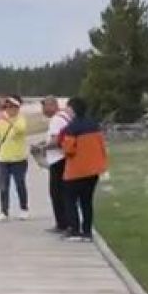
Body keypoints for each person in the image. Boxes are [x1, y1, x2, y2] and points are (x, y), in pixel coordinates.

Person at [58, 97, 108, 242]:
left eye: (68, 108)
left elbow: (68, 150)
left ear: (72, 109)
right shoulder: (94, 125)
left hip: (75, 171)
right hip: (92, 171)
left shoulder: (71, 128)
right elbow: (101, 147)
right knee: (87, 201)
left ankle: (74, 230)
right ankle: (87, 232)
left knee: (70, 200)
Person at [0, 95, 29, 222]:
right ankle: (4, 211)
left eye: (12, 107)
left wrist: (8, 120)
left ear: (17, 108)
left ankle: (24, 209)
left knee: (20, 184)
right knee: (3, 186)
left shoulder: (20, 119)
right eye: (7, 107)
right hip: (4, 159)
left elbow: (20, 130)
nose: (9, 109)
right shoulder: (2, 121)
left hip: (18, 159)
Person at [38, 96, 72, 233]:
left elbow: (56, 141)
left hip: (58, 160)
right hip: (64, 159)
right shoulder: (65, 116)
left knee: (56, 193)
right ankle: (67, 222)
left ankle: (62, 224)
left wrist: (42, 148)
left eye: (44, 106)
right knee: (64, 192)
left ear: (52, 105)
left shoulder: (56, 120)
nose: (43, 110)